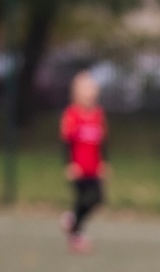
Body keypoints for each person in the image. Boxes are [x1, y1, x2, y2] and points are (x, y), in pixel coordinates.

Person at [59, 71, 106, 253]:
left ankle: (72, 219)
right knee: (82, 199)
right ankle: (76, 234)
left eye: (93, 88)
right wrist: (69, 163)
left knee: (98, 198)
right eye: (86, 89)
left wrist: (103, 162)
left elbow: (102, 141)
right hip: (78, 168)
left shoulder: (98, 115)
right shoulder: (71, 115)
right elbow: (66, 142)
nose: (91, 92)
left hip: (93, 167)